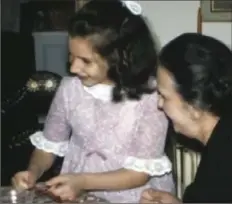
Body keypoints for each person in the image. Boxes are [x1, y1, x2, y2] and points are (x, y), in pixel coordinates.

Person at [12, 0, 174, 202]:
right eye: (71, 57)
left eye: (86, 61)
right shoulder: (69, 89)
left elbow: (138, 174)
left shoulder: (152, 97)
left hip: (137, 196)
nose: (73, 68)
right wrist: (33, 172)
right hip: (77, 193)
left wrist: (82, 182)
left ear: (120, 58)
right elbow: (49, 146)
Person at [140, 33, 232, 203]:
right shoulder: (222, 137)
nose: (159, 104)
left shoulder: (221, 168)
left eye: (164, 96)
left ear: (194, 106)